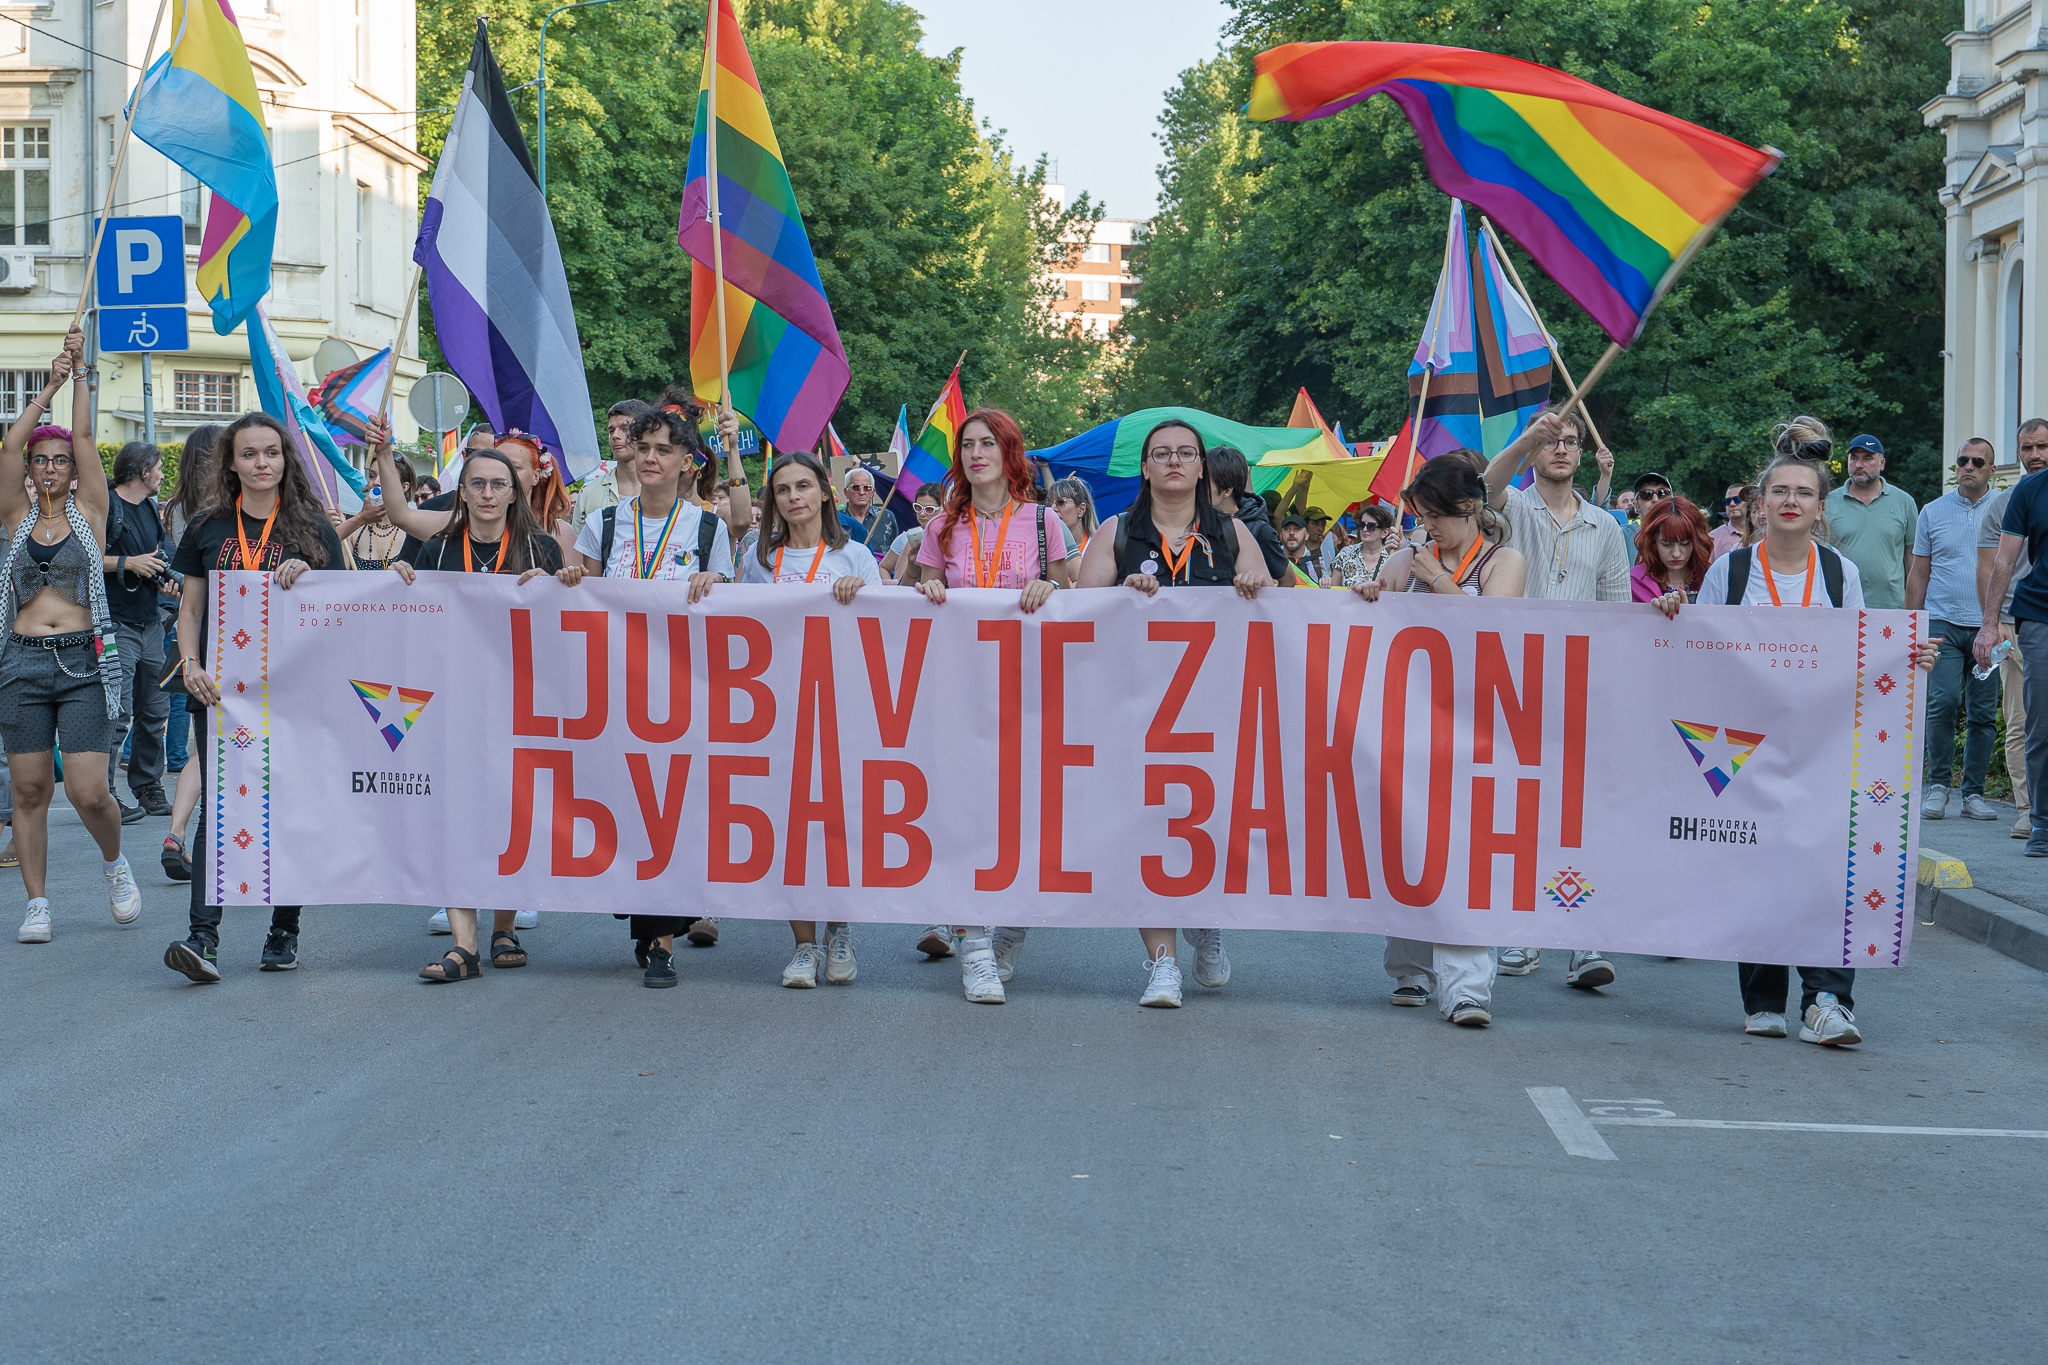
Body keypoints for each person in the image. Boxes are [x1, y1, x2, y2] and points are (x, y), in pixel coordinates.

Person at [1668, 450, 1937, 1042]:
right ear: (1760, 505)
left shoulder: (1840, 573)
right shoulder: (1730, 572)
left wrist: (1909, 656)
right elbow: (1701, 653)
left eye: (1804, 493)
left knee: (1825, 866)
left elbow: (1865, 657)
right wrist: (1671, 616)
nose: (1791, 501)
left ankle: (1827, 1000)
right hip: (1745, 746)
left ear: (1820, 508)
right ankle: (1763, 999)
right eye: (1780, 492)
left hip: (1824, 743)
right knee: (1760, 863)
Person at [1076, 418, 1269, 1007]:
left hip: (1214, 710)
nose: (1175, 462)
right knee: (1148, 829)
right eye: (1162, 453)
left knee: (1207, 824)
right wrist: (1120, 594)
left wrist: (1254, 582)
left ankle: (1206, 925)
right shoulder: (1116, 531)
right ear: (1145, 467)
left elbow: (1270, 599)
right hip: (1136, 710)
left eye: (1187, 452)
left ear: (1203, 467)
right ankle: (1162, 960)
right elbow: (1080, 611)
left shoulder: (1233, 532)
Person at [380, 425, 580, 981]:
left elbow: (566, 617)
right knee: (455, 817)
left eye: (499, 484)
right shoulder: (440, 543)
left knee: (508, 815)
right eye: (477, 484)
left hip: (516, 701)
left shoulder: (538, 546)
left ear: (515, 492)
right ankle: (464, 942)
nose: (489, 494)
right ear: (461, 492)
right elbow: (406, 571)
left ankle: (504, 924)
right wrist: (397, 578)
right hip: (447, 702)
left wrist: (562, 583)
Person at [162, 411, 347, 981]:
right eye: (249, 454)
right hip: (219, 690)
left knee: (287, 805)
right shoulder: (208, 526)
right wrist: (189, 664)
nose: (261, 463)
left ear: (286, 459)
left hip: (294, 692)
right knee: (219, 806)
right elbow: (190, 609)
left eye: (271, 452)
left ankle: (284, 929)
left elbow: (344, 606)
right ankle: (203, 938)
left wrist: (309, 575)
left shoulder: (313, 526)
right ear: (231, 462)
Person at [1348, 457, 1526, 1025]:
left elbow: (1494, 631)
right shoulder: (1407, 559)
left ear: (1469, 508)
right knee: (1409, 844)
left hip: (1478, 725)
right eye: (1421, 518)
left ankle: (1469, 986)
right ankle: (1410, 969)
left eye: (1435, 517)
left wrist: (1440, 577)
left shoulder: (1506, 562)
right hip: (1408, 722)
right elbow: (1373, 619)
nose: (1427, 529)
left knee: (1467, 852)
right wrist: (1373, 591)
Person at [564, 402, 736, 983]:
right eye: (644, 448)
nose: (653, 458)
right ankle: (645, 920)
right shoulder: (605, 523)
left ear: (688, 461)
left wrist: (717, 584)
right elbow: (581, 596)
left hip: (682, 692)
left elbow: (731, 612)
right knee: (627, 808)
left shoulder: (707, 528)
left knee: (671, 809)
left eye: (665, 449)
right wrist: (563, 580)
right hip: (615, 690)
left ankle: (662, 940)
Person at [908, 408, 1070, 1002]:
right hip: (957, 690)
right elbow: (915, 600)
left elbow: (1076, 601)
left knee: (1027, 820)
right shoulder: (941, 526)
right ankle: (973, 944)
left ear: (1010, 453)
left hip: (1029, 690)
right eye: (967, 445)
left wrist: (1054, 587)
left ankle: (1012, 926)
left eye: (988, 444)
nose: (976, 454)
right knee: (962, 818)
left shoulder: (1046, 523)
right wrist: (926, 590)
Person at [701, 450, 881, 986]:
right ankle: (804, 944)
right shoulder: (758, 560)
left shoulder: (857, 558)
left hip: (842, 708)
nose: (794, 496)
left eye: (804, 485)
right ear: (773, 501)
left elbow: (886, 634)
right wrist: (714, 587)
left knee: (838, 823)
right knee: (791, 826)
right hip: (777, 711)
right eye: (783, 490)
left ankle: (840, 929)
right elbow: (739, 625)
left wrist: (864, 597)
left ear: (826, 491)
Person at [0, 328, 143, 946]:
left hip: (84, 662)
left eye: (60, 460)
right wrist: (48, 385)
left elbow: (84, 438)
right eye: (43, 460)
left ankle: (114, 863)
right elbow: (6, 447)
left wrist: (82, 375)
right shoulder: (15, 517)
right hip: (21, 662)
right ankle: (37, 904)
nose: (53, 467)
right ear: (31, 470)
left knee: (89, 791)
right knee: (29, 789)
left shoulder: (91, 514)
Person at [1483, 405, 1627, 987]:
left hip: (1582, 688)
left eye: (1570, 441)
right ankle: (1519, 934)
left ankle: (1583, 938)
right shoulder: (1514, 509)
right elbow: (1484, 488)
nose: (1561, 449)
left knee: (1580, 817)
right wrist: (1524, 439)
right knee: (1523, 812)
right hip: (1517, 684)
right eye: (1552, 441)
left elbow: (1619, 611)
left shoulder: (1607, 527)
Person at [1908, 439, 2000, 823]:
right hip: (1942, 622)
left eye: (1978, 462)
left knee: (1982, 712)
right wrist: (1910, 625)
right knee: (1943, 703)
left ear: (1992, 470)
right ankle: (1939, 786)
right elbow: (1919, 572)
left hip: (1989, 625)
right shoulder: (1932, 511)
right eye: (1962, 460)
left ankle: (1974, 793)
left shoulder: (2006, 508)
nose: (1968, 466)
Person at [156, 424, 223, 882]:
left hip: (188, 630)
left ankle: (176, 832)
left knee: (203, 742)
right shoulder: (218, 515)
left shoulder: (174, 509)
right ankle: (203, 842)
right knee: (211, 746)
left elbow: (175, 570)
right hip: (233, 628)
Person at [1977, 433, 2048, 858]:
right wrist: (1989, 625)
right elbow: (2003, 560)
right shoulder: (2029, 489)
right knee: (2039, 721)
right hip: (2040, 615)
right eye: (2029, 447)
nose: (2036, 454)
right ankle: (2041, 821)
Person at [101, 441, 174, 821]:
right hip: (116, 622)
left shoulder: (149, 508)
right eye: (159, 468)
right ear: (142, 471)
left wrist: (164, 580)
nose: (162, 474)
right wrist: (129, 563)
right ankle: (104, 795)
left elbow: (153, 560)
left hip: (151, 621)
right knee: (118, 713)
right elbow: (84, 556)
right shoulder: (105, 504)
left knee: (155, 711)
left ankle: (147, 787)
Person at [1823, 429, 1916, 611]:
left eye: (1867, 458)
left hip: (1891, 606)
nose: (1859, 464)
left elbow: (1912, 558)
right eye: (1854, 458)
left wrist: (1914, 606)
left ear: (1881, 463)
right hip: (1842, 605)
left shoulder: (1904, 502)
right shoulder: (1828, 503)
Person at [1207, 446, 1291, 585]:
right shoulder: (1196, 524)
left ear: (1226, 491)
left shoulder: (1259, 531)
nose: (1196, 491)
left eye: (1204, 484)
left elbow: (1289, 580)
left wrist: (1262, 598)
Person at [571, 398, 654, 530]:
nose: (615, 436)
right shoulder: (588, 493)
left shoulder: (666, 489)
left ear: (647, 433)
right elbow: (577, 548)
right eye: (611, 431)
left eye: (625, 429)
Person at [337, 455, 416, 571]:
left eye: (385, 477)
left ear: (405, 487)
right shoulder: (353, 533)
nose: (376, 482)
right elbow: (339, 579)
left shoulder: (414, 532)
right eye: (372, 476)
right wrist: (340, 530)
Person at [1630, 496, 1713, 603]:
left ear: (1697, 542)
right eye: (1666, 544)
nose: (1676, 553)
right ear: (1653, 542)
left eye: (1685, 544)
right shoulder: (1635, 581)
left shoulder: (1711, 577)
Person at [882, 485, 941, 584]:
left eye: (929, 509)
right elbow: (884, 567)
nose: (922, 513)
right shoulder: (907, 537)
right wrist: (890, 587)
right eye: (918, 507)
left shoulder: (953, 538)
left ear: (943, 509)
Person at [1331, 504, 1400, 588]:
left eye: (1371, 526)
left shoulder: (1392, 558)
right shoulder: (1346, 553)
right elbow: (1334, 589)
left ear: (1384, 533)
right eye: (1362, 525)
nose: (1364, 529)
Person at [838, 465, 897, 560]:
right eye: (856, 487)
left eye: (867, 488)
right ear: (846, 492)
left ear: (873, 492)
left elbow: (896, 553)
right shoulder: (836, 518)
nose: (862, 492)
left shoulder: (886, 516)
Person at [1049, 475, 1099, 559]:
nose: (1052, 508)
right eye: (1049, 503)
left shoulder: (1098, 546)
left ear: (1081, 510)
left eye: (1060, 502)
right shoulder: (1047, 548)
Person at [1711, 483, 1752, 561]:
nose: (1732, 504)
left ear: (1749, 502)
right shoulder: (1713, 538)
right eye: (1727, 501)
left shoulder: (1763, 533)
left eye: (1737, 499)